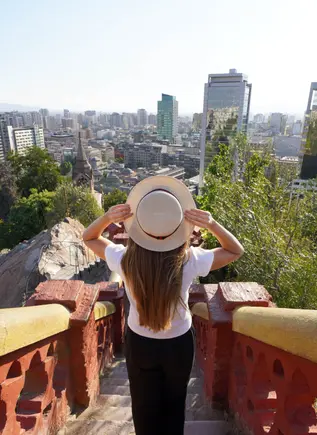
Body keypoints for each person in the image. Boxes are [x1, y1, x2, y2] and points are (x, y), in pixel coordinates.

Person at [82, 176, 244, 435]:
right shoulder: (189, 260)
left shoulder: (124, 258)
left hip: (140, 343)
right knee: (174, 407)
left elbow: (88, 237)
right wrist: (211, 224)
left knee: (144, 409)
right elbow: (235, 250)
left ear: (139, 225)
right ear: (178, 225)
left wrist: (107, 218)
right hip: (178, 345)